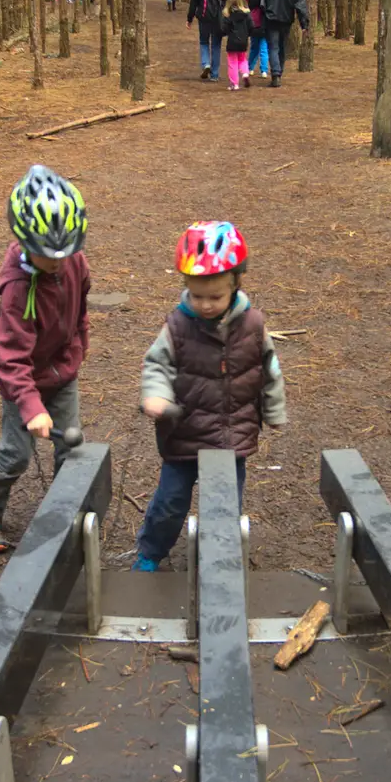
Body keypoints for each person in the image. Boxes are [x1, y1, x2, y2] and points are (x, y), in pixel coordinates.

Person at [132, 221, 287, 571]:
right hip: (184, 432)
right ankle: (151, 552)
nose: (205, 305)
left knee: (224, 505)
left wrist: (274, 411)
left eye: (215, 296)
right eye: (197, 295)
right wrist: (155, 395)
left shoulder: (253, 325)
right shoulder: (177, 326)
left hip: (233, 435)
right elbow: (157, 364)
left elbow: (269, 370)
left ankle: (219, 562)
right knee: (170, 501)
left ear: (235, 284)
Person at [0, 165, 90, 553]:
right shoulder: (17, 290)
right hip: (22, 382)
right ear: (24, 242)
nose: (58, 262)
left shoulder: (74, 262)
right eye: (47, 255)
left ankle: (62, 513)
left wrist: (76, 351)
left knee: (71, 450)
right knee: (15, 455)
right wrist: (30, 406)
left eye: (66, 252)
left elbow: (81, 311)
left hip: (63, 375)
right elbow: (9, 359)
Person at [249, 0, 309, 87]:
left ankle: (276, 74)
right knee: (281, 46)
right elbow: (300, 3)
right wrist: (304, 23)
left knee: (274, 46)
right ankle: (278, 73)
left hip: (271, 17)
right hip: (286, 19)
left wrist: (253, 6)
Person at [186, 0, 229, 80]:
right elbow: (228, 0)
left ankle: (206, 63)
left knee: (204, 41)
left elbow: (194, 1)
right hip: (218, 17)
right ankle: (214, 74)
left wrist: (190, 18)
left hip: (204, 17)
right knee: (216, 45)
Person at [220, 0, 252, 90]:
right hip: (243, 41)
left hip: (232, 42)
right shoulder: (246, 14)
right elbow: (251, 26)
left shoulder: (228, 15)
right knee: (242, 59)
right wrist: (247, 34)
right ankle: (245, 74)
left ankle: (234, 84)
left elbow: (224, 29)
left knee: (232, 62)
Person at [248, 0, 269, 80]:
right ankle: (264, 70)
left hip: (255, 27)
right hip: (263, 28)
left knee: (254, 49)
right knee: (264, 50)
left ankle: (250, 68)